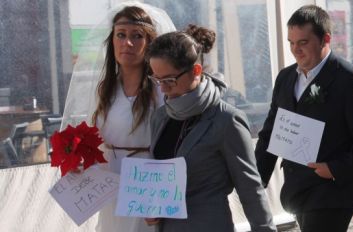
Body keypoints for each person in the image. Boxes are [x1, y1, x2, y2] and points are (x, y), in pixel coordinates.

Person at [255, 5, 353, 232]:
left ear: (325, 39)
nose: (296, 50)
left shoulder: (352, 80)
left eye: (303, 42)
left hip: (331, 193)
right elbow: (270, 132)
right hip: (296, 189)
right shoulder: (285, 78)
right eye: (291, 43)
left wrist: (334, 168)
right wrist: (256, 180)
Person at [146, 24, 275, 232]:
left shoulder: (226, 119)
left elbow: (250, 189)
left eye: (169, 80)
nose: (162, 89)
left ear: (196, 71)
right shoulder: (161, 117)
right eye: (157, 79)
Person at [62, 2, 176, 232]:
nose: (128, 43)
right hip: (110, 183)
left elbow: (176, 144)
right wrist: (79, 162)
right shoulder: (103, 89)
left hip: (149, 185)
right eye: (121, 35)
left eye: (137, 36)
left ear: (149, 43)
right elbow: (93, 141)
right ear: (112, 40)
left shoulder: (161, 90)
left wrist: (163, 199)